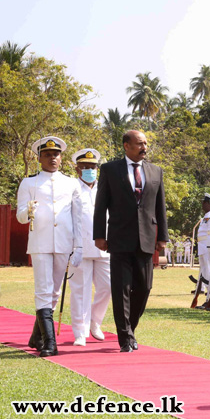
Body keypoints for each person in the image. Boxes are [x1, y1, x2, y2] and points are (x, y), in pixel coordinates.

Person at [93, 130, 168, 353]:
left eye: (145, 143)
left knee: (144, 287)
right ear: (127, 146)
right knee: (121, 289)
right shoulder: (109, 169)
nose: (144, 147)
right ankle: (125, 338)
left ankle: (129, 329)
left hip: (146, 239)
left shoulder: (156, 171)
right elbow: (101, 204)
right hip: (119, 238)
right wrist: (99, 235)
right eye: (139, 144)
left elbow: (160, 206)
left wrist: (162, 237)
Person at [17, 136, 83, 357]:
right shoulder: (29, 183)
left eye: (55, 154)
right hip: (40, 242)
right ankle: (49, 342)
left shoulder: (72, 183)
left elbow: (77, 216)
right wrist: (29, 210)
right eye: (47, 155)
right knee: (44, 290)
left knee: (54, 293)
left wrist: (79, 246)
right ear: (40, 158)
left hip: (63, 242)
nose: (52, 158)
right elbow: (20, 218)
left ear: (61, 158)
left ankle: (36, 336)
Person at [68, 148, 111, 347]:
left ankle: (95, 322)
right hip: (80, 247)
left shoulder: (104, 188)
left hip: (104, 246)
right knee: (80, 290)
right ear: (77, 169)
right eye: (85, 167)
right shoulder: (71, 188)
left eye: (92, 167)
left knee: (108, 287)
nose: (89, 170)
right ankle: (80, 331)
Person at [192, 194, 210, 301]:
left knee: (208, 269)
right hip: (202, 245)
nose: (202, 205)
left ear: (208, 203)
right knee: (204, 269)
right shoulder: (206, 215)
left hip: (207, 244)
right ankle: (206, 290)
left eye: (203, 203)